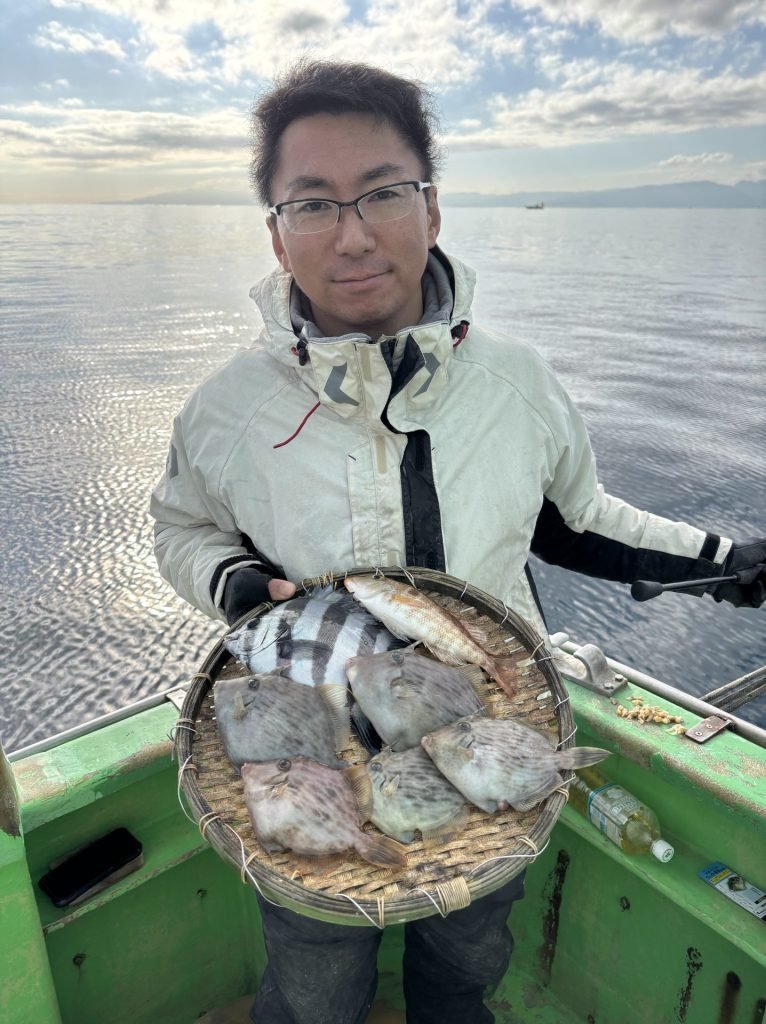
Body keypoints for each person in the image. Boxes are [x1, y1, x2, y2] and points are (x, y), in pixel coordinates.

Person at [149, 59, 765, 1024]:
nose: (353, 234)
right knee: (312, 976)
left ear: (432, 208)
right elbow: (182, 526)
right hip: (303, 738)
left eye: (383, 192)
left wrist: (726, 561)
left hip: (492, 722)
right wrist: (229, 579)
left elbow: (580, 520)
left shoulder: (518, 382)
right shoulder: (225, 409)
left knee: (470, 951)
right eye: (312, 204)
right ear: (276, 233)